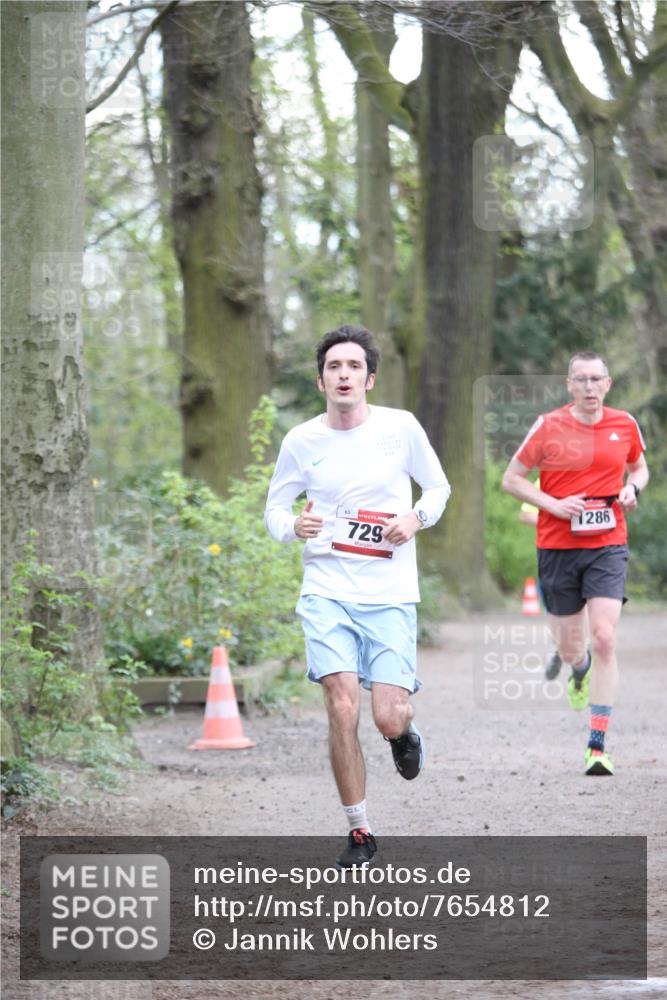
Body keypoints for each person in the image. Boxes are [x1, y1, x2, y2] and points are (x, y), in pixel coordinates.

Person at [265, 325, 450, 866]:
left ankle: (404, 732)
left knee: (385, 715)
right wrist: (291, 528)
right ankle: (360, 829)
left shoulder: (401, 428)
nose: (342, 374)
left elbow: (438, 487)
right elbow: (276, 508)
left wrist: (416, 517)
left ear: (369, 378)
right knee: (340, 704)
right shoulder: (301, 440)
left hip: (389, 592)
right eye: (332, 367)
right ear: (321, 379)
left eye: (352, 367)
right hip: (326, 588)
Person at [502, 351, 648, 775]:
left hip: (608, 543)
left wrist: (632, 489)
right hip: (557, 547)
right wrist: (553, 504)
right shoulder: (549, 427)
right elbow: (511, 479)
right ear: (569, 385)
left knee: (604, 637)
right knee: (573, 648)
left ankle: (597, 745)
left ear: (608, 384)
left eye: (595, 379)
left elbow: (640, 468)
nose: (588, 387)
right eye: (580, 380)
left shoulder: (625, 424)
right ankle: (578, 669)